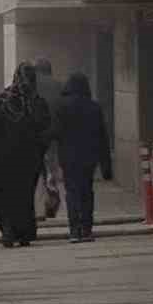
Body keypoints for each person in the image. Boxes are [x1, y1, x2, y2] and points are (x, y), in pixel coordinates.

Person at [0, 62, 51, 246]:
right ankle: (23, 233)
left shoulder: (1, 100)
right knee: (24, 197)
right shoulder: (37, 102)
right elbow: (44, 130)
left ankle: (8, 230)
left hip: (4, 159)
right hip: (28, 159)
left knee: (4, 196)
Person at [52, 70, 112, 242]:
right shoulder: (94, 107)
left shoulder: (61, 106)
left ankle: (74, 230)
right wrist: (106, 166)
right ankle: (87, 229)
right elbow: (103, 137)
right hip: (89, 158)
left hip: (68, 158)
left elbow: (55, 132)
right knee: (87, 191)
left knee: (72, 192)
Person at [34, 57, 64, 219]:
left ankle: (41, 204)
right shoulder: (59, 86)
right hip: (54, 136)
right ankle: (52, 200)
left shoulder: (30, 85)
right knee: (52, 170)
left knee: (39, 172)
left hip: (36, 136)